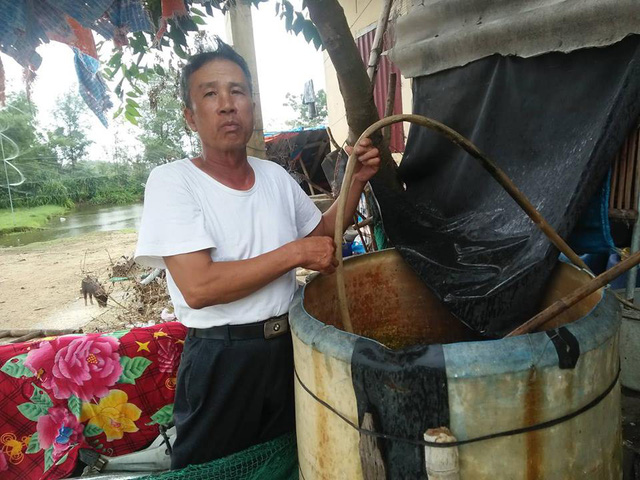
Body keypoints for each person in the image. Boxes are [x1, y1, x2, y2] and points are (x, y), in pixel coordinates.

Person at [134, 40, 380, 469]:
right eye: (210, 94)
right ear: (190, 115)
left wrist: (353, 184)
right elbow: (200, 287)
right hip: (222, 361)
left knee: (288, 461)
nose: (228, 105)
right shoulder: (173, 182)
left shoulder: (274, 176)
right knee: (214, 472)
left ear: (252, 104)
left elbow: (321, 236)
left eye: (238, 91)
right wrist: (293, 253)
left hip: (288, 348)